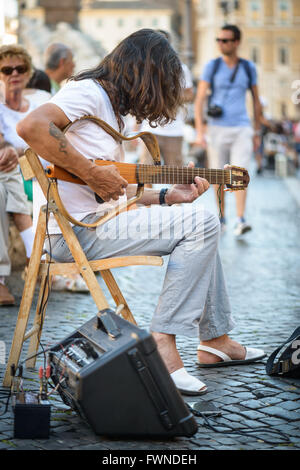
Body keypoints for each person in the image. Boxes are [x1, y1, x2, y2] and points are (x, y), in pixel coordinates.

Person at [17, 29, 265, 396]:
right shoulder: (88, 93)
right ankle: (164, 342)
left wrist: (167, 196)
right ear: (144, 73)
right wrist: (90, 173)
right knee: (203, 224)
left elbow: (111, 190)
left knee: (199, 224)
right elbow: (31, 127)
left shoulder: (110, 110)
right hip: (73, 233)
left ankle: (216, 339)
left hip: (98, 221)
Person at [194, 24, 262, 236]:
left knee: (240, 173)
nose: (221, 44)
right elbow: (199, 99)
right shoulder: (212, 67)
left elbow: (256, 100)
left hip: (242, 126)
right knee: (218, 175)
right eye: (219, 40)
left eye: (225, 40)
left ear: (236, 42)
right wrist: (199, 131)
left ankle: (241, 219)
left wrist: (257, 130)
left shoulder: (248, 68)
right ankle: (222, 216)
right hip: (216, 128)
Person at [0, 44, 35, 305]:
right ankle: (40, 260)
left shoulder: (38, 104)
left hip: (40, 172)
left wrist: (17, 150)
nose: (14, 73)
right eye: (6, 69)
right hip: (19, 173)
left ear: (28, 72)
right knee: (7, 183)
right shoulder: (0, 108)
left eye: (20, 68)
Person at [139, 30, 194, 167]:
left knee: (176, 175)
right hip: (149, 131)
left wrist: (168, 97)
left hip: (174, 130)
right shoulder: (145, 69)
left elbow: (189, 95)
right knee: (145, 174)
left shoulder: (181, 69)